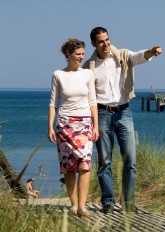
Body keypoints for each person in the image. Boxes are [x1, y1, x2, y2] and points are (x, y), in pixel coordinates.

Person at [82, 27, 162, 214]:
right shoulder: (89, 66)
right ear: (94, 43)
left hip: (124, 112)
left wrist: (151, 52)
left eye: (107, 39)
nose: (106, 43)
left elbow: (139, 56)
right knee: (104, 162)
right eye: (101, 41)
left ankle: (128, 202)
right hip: (101, 114)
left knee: (130, 161)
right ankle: (108, 202)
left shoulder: (122, 56)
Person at [48, 38, 99, 217]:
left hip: (85, 124)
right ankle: (74, 205)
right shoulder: (58, 75)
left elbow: (93, 101)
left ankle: (83, 207)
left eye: (83, 54)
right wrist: (50, 127)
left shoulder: (87, 74)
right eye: (78, 54)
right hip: (64, 124)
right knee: (68, 167)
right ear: (68, 54)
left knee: (85, 166)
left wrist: (96, 126)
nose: (81, 57)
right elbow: (53, 103)